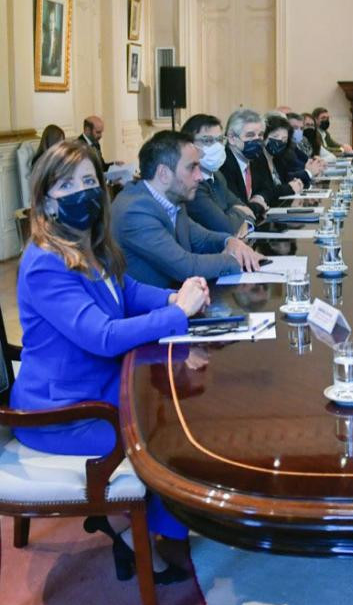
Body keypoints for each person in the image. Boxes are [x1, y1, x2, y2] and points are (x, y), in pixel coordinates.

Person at [12, 140, 208, 582]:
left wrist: (172, 296)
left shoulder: (88, 243)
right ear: (45, 197)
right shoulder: (46, 261)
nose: (82, 192)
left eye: (88, 181)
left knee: (176, 407)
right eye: (67, 184)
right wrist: (176, 314)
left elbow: (128, 292)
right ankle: (133, 531)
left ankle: (150, 526)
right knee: (163, 431)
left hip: (99, 385)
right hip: (64, 409)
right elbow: (101, 337)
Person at [111, 130, 263, 287]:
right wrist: (235, 259)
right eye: (192, 168)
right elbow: (185, 267)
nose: (199, 176)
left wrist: (231, 242)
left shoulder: (173, 199)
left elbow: (202, 239)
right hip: (149, 309)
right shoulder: (135, 211)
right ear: (163, 174)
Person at [180, 114, 256, 236]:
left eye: (220, 140)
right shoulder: (192, 184)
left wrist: (238, 217)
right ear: (189, 144)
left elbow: (246, 209)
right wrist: (239, 215)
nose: (217, 146)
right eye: (208, 141)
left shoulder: (217, 175)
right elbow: (226, 228)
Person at [220, 107, 286, 216]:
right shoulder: (223, 164)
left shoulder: (257, 158)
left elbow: (268, 189)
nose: (257, 140)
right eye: (250, 135)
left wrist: (259, 198)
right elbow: (237, 208)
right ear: (231, 138)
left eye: (260, 135)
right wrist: (258, 206)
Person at [264, 114, 313, 190]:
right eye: (275, 137)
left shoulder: (278, 158)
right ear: (264, 137)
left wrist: (296, 183)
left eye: (284, 139)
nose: (279, 141)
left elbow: (285, 179)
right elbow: (269, 190)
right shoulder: (258, 160)